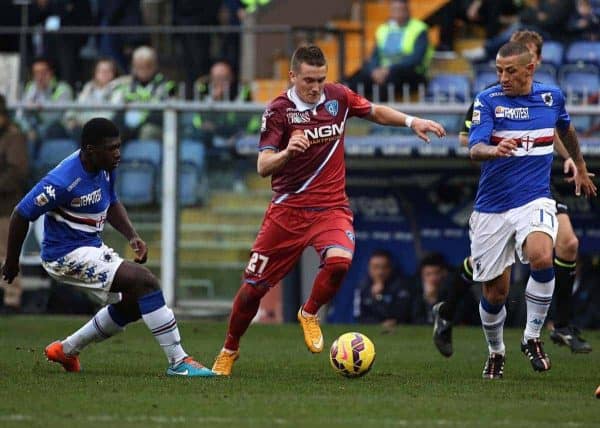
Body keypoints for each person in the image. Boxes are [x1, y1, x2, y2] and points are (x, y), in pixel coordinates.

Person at [210, 45, 446, 376]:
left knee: (339, 262)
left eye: (321, 79)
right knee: (253, 290)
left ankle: (309, 312)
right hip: (287, 210)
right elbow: (264, 165)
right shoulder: (278, 111)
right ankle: (229, 349)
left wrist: (411, 120)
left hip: (331, 207)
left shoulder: (338, 97)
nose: (316, 87)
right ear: (293, 76)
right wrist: (288, 152)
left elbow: (374, 111)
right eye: (308, 80)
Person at [0, 118, 214, 377]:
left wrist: (132, 236)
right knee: (146, 281)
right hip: (64, 255)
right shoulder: (61, 180)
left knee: (136, 301)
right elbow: (21, 213)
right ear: (91, 150)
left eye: (119, 146)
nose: (118, 154)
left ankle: (66, 350)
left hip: (90, 247)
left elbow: (111, 201)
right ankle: (179, 362)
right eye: (112, 148)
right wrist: (13, 262)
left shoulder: (105, 166)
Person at [435, 30, 594, 358]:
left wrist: (577, 163)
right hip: (495, 198)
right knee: (495, 290)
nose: (503, 77)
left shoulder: (550, 97)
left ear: (533, 65)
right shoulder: (487, 99)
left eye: (510, 70)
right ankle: (481, 339)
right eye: (498, 70)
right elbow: (471, 144)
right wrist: (494, 148)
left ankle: (541, 331)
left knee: (552, 249)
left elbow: (563, 128)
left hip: (536, 191)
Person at [345, 0, 433, 100]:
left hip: (411, 73)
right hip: (385, 72)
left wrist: (389, 69)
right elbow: (375, 56)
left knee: (390, 78)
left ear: (408, 11)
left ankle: (381, 113)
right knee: (357, 78)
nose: (398, 13)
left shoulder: (419, 29)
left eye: (401, 10)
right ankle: (355, 111)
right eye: (395, 10)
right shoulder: (383, 29)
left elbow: (415, 59)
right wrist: (374, 71)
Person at [111, 46, 176, 141]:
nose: (142, 70)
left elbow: (167, 112)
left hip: (155, 125)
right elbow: (118, 109)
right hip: (127, 127)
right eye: (138, 66)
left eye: (146, 66)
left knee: (147, 131)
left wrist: (141, 122)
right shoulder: (125, 83)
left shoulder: (168, 85)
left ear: (154, 66)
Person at [0, 94, 28, 313]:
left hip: (7, 207)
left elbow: (17, 171)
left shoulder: (13, 137)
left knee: (6, 253)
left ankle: (12, 299)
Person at [21, 57, 73, 145]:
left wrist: (38, 109)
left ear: (51, 72)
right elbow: (21, 113)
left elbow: (55, 117)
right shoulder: (31, 87)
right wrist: (28, 129)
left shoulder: (63, 88)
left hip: (56, 130)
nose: (40, 76)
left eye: (43, 72)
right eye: (36, 73)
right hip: (34, 128)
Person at [354, 249, 412, 329]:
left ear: (390, 268)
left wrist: (379, 299)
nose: (380, 272)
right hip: (372, 329)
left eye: (384, 267)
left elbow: (404, 314)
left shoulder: (401, 286)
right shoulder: (363, 287)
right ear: (369, 268)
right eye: (375, 267)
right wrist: (375, 298)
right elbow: (359, 316)